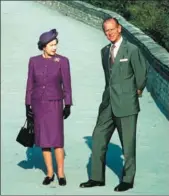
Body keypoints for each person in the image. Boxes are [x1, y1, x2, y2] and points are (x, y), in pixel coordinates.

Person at [79, 17, 148, 192]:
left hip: (126, 104)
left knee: (128, 144)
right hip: (108, 104)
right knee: (98, 137)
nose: (109, 33)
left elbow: (141, 76)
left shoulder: (132, 50)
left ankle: (127, 179)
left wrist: (134, 93)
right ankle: (96, 178)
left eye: (112, 29)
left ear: (119, 28)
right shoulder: (104, 51)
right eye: (106, 30)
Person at [25, 28, 72, 186]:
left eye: (56, 44)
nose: (55, 47)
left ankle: (61, 173)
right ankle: (50, 173)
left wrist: (68, 104)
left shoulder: (63, 61)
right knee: (44, 140)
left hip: (55, 104)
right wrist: (27, 105)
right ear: (43, 46)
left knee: (57, 140)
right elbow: (30, 84)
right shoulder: (33, 61)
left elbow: (67, 84)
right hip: (38, 104)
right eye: (51, 45)